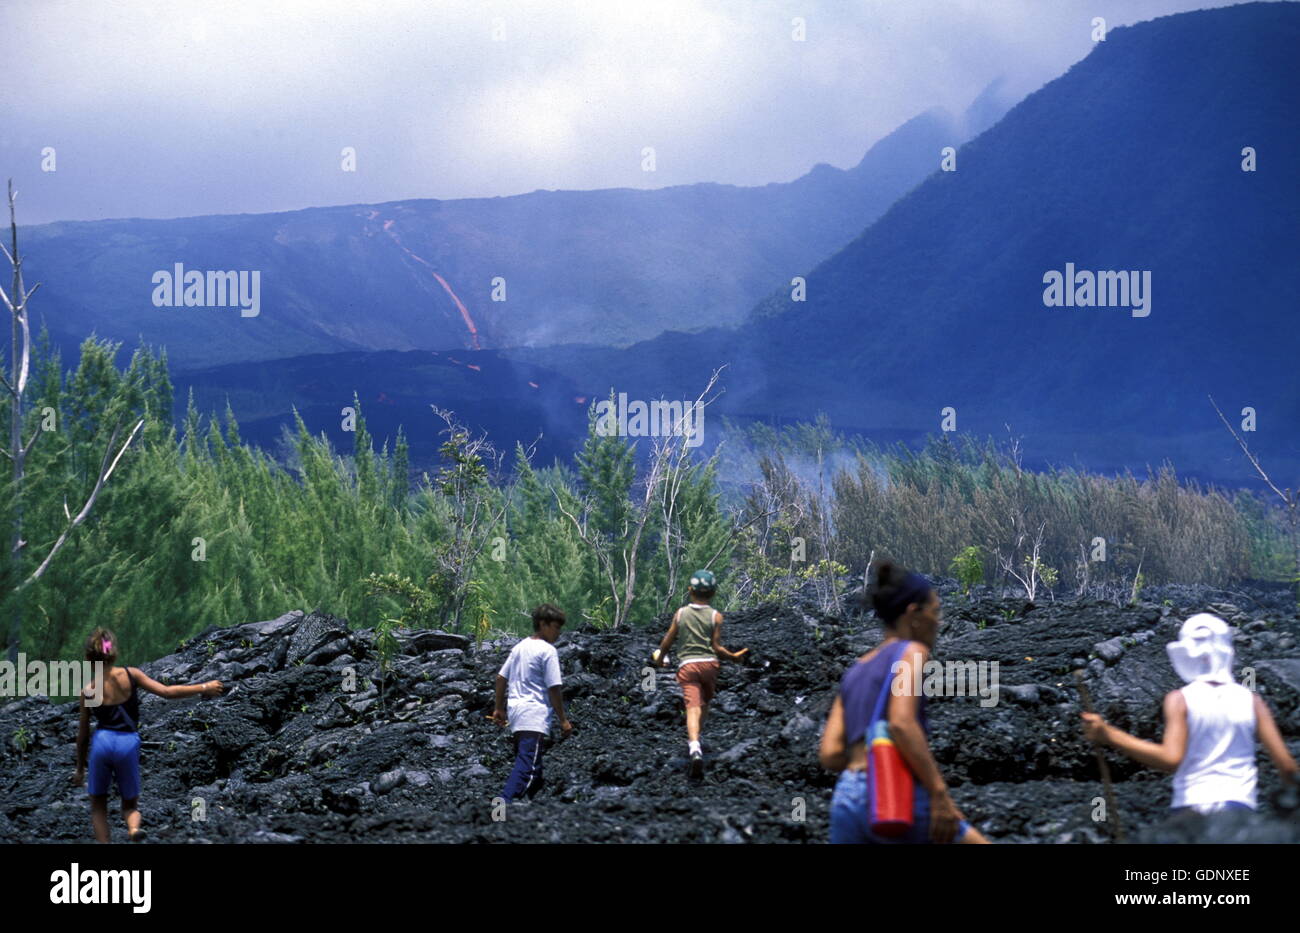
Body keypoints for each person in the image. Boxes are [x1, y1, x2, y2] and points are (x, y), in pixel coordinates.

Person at [819, 561, 988, 844]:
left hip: (846, 798)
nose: (940, 621)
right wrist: (939, 793)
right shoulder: (912, 652)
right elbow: (901, 722)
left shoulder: (855, 670)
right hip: (895, 796)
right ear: (914, 614)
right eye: (935, 611)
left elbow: (830, 753)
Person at [1082, 612, 1298, 814]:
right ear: (1226, 650)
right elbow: (1288, 768)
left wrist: (1108, 734)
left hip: (1192, 810)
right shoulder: (1252, 701)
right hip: (1239, 811)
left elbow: (1171, 759)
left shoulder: (1180, 699)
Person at [73, 627, 223, 843]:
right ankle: (133, 830)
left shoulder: (88, 689)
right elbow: (167, 692)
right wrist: (204, 686)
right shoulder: (130, 674)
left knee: (98, 806)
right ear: (113, 653)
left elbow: (83, 733)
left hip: (102, 742)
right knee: (130, 804)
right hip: (127, 741)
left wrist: (79, 768)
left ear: (88, 658)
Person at [652, 569, 748, 778]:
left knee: (692, 706)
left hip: (688, 666)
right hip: (710, 666)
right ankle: (698, 738)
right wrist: (734, 657)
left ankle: (694, 746)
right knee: (704, 704)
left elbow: (667, 641)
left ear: (690, 591)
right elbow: (717, 648)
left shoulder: (681, 614)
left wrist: (660, 659)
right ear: (713, 593)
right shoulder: (716, 616)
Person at [489, 603, 573, 802]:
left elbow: (501, 678)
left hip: (517, 715)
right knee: (527, 768)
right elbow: (554, 688)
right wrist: (563, 720)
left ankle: (525, 813)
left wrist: (499, 709)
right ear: (543, 624)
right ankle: (501, 807)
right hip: (534, 715)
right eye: (555, 627)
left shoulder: (520, 647)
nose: (558, 633)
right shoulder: (547, 650)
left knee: (533, 767)